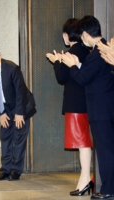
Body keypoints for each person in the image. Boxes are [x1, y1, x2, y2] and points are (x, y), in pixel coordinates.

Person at [61, 15, 114, 199]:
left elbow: (83, 78)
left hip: (100, 110)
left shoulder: (97, 53)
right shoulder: (105, 49)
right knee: (109, 149)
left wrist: (73, 66)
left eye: (82, 36)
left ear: (84, 34)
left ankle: (108, 190)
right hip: (107, 107)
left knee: (105, 151)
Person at [46, 18, 93, 196]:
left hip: (75, 103)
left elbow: (62, 78)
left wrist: (56, 61)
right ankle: (85, 180)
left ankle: (85, 180)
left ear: (67, 35)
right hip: (88, 102)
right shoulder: (87, 52)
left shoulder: (71, 53)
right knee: (85, 142)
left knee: (82, 143)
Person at [0, 45, 36, 181]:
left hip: (21, 106)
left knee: (18, 138)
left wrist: (19, 113)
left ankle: (16, 170)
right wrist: (1, 113)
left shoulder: (12, 68)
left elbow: (20, 92)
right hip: (4, 107)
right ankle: (5, 169)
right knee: (5, 137)